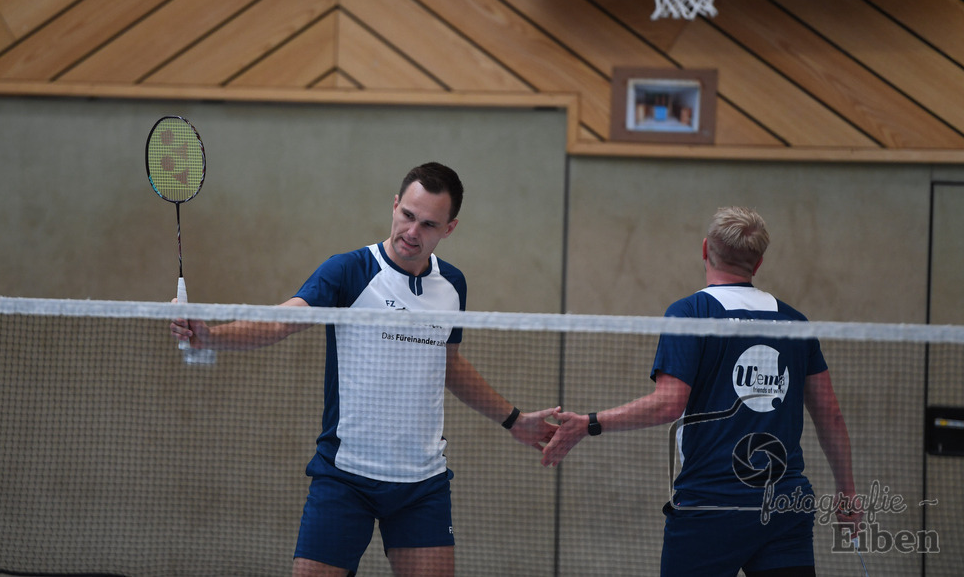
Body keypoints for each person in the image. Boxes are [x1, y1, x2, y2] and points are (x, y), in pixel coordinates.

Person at [172, 162, 558, 577]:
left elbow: (448, 365)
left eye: (428, 224)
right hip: (345, 478)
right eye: (407, 215)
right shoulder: (349, 271)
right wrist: (210, 336)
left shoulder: (452, 286)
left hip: (422, 484)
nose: (412, 231)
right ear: (394, 205)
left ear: (449, 229)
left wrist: (513, 419)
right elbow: (281, 321)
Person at [541, 206, 858, 577]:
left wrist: (589, 423)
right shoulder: (794, 322)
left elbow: (667, 405)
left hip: (710, 505)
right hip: (785, 505)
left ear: (705, 249)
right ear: (757, 265)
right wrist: (848, 492)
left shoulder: (691, 313)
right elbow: (831, 415)